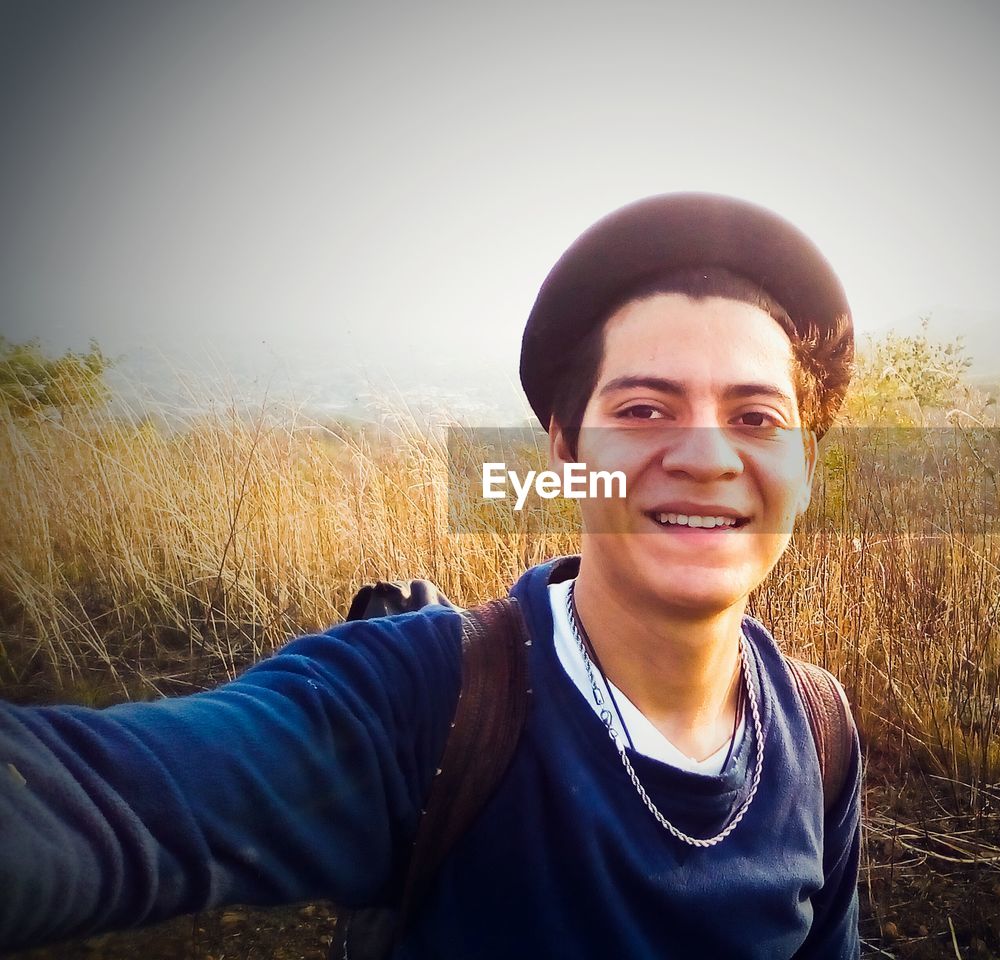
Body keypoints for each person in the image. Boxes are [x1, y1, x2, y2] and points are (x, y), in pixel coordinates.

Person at [0, 192, 863, 958]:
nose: (708, 456)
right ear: (564, 452)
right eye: (643, 411)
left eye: (757, 417)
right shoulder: (423, 703)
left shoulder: (818, 731)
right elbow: (96, 793)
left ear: (806, 463)